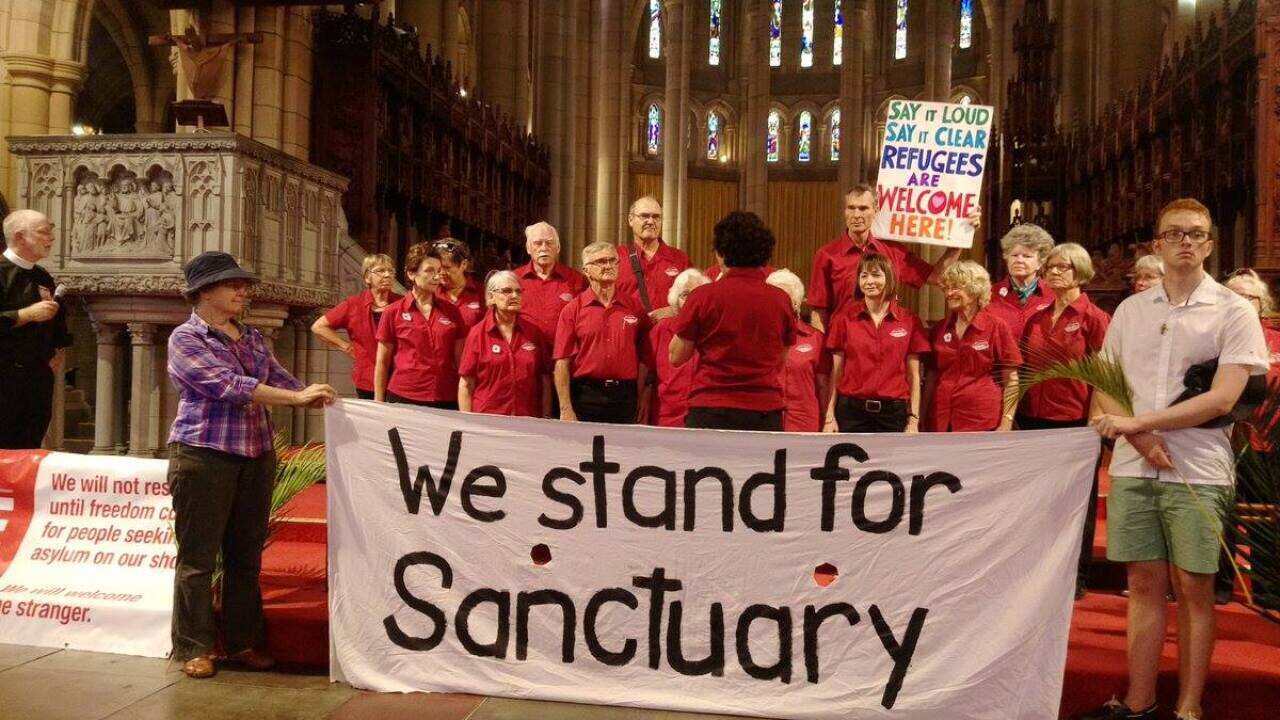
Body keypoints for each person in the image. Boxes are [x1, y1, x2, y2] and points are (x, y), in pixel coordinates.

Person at [1083, 199, 1270, 720]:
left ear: (1209, 245)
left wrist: (1141, 426)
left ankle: (1189, 708)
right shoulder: (1130, 310)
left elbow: (1224, 397)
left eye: (1196, 233)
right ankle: (1139, 701)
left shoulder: (1233, 310)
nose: (1185, 241)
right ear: (1158, 244)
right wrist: (1140, 441)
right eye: (1174, 233)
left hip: (1199, 467)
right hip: (1134, 466)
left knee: (1194, 585)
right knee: (1142, 583)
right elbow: (1106, 383)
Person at [165, 251, 336, 679]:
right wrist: (296, 398)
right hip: (204, 456)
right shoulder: (186, 339)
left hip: (256, 455)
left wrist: (312, 392)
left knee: (245, 557)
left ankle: (242, 642)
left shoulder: (252, 336)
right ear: (205, 291)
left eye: (244, 284)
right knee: (198, 558)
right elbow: (230, 386)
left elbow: (277, 378)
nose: (244, 290)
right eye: (233, 284)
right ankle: (193, 645)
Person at [1016, 242, 1110, 599]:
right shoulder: (1037, 316)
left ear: (1080, 272)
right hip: (1034, 419)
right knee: (1038, 503)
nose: (1054, 272)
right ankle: (1038, 573)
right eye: (1050, 267)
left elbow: (1104, 376)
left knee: (1075, 506)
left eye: (1063, 267)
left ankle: (1075, 578)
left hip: (1073, 422)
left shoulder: (1094, 318)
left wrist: (1093, 422)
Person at [669, 211, 796, 431]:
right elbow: (781, 359)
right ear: (764, 252)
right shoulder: (781, 300)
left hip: (711, 409)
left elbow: (676, 356)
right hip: (764, 412)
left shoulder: (702, 296)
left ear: (720, 252)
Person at [806, 183, 963, 331]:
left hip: (885, 340)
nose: (856, 215)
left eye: (863, 208)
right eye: (851, 208)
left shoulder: (892, 251)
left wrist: (961, 239)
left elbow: (936, 277)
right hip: (843, 343)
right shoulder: (826, 255)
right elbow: (818, 311)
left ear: (876, 209)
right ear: (844, 211)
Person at [822, 253, 930, 433]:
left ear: (889, 278)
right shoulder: (843, 319)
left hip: (894, 413)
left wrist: (913, 419)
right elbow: (836, 373)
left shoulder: (910, 320)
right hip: (851, 413)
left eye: (876, 275)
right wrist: (829, 417)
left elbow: (914, 375)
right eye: (864, 276)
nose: (869, 281)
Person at [554, 241, 652, 424]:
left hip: (625, 396)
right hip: (586, 395)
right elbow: (561, 363)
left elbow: (646, 357)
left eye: (612, 261)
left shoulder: (634, 307)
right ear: (586, 270)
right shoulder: (573, 310)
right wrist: (565, 408)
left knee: (623, 451)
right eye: (601, 262)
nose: (608, 266)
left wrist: (642, 394)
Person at [0, 209, 70, 449]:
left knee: (29, 445)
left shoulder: (42, 276)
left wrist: (59, 349)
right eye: (43, 232)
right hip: (4, 377)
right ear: (20, 237)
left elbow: (57, 319)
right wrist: (24, 315)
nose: (51, 239)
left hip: (37, 378)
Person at [927, 261, 1022, 432]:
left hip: (981, 419)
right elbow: (931, 377)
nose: (949, 293)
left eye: (955, 287)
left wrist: (1006, 422)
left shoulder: (996, 327)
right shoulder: (939, 329)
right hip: (941, 419)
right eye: (946, 288)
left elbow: (1011, 379)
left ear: (975, 289)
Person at [374, 242, 466, 407]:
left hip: (446, 397)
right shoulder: (393, 312)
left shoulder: (452, 312)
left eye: (439, 271)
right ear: (411, 273)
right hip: (404, 396)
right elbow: (382, 362)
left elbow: (461, 362)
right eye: (430, 271)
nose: (437, 276)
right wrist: (378, 404)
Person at [458, 270, 551, 417]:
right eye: (507, 291)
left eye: (518, 292)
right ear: (491, 297)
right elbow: (466, 383)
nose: (514, 296)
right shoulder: (477, 334)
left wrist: (546, 417)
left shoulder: (534, 332)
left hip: (527, 419)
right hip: (487, 419)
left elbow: (544, 380)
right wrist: (466, 422)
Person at [311, 254, 401, 399]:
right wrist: (346, 347)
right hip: (367, 380)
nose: (387, 275)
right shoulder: (353, 304)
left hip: (398, 380)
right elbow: (318, 327)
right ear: (367, 278)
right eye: (381, 271)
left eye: (391, 271)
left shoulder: (402, 303)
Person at [766, 269, 831, 432]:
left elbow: (823, 387)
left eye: (783, 298)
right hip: (765, 423)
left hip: (803, 424)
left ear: (797, 303)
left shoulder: (816, 339)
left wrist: (827, 422)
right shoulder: (756, 338)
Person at [649, 268, 709, 427]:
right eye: (685, 295)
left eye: (698, 294)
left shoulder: (713, 330)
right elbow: (647, 372)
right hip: (667, 413)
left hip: (703, 413)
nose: (691, 300)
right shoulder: (662, 329)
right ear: (675, 300)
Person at [615, 196, 691, 317]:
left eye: (656, 217)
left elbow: (695, 300)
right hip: (629, 333)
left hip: (667, 333)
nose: (650, 221)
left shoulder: (680, 259)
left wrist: (674, 311)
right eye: (644, 216)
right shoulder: (616, 257)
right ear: (630, 220)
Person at [516, 221, 587, 341]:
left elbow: (586, 320)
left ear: (558, 247)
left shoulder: (577, 280)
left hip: (564, 356)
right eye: (538, 243)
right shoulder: (513, 279)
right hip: (525, 354)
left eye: (549, 243)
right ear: (528, 248)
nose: (544, 248)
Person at [988, 223, 1055, 340]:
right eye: (1014, 255)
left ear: (1040, 262)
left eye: (1027, 256)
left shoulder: (1054, 295)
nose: (1019, 260)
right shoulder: (989, 294)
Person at [434, 238, 486, 330]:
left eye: (447, 267)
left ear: (464, 264)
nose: (441, 272)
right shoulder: (432, 292)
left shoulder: (482, 293)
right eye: (438, 267)